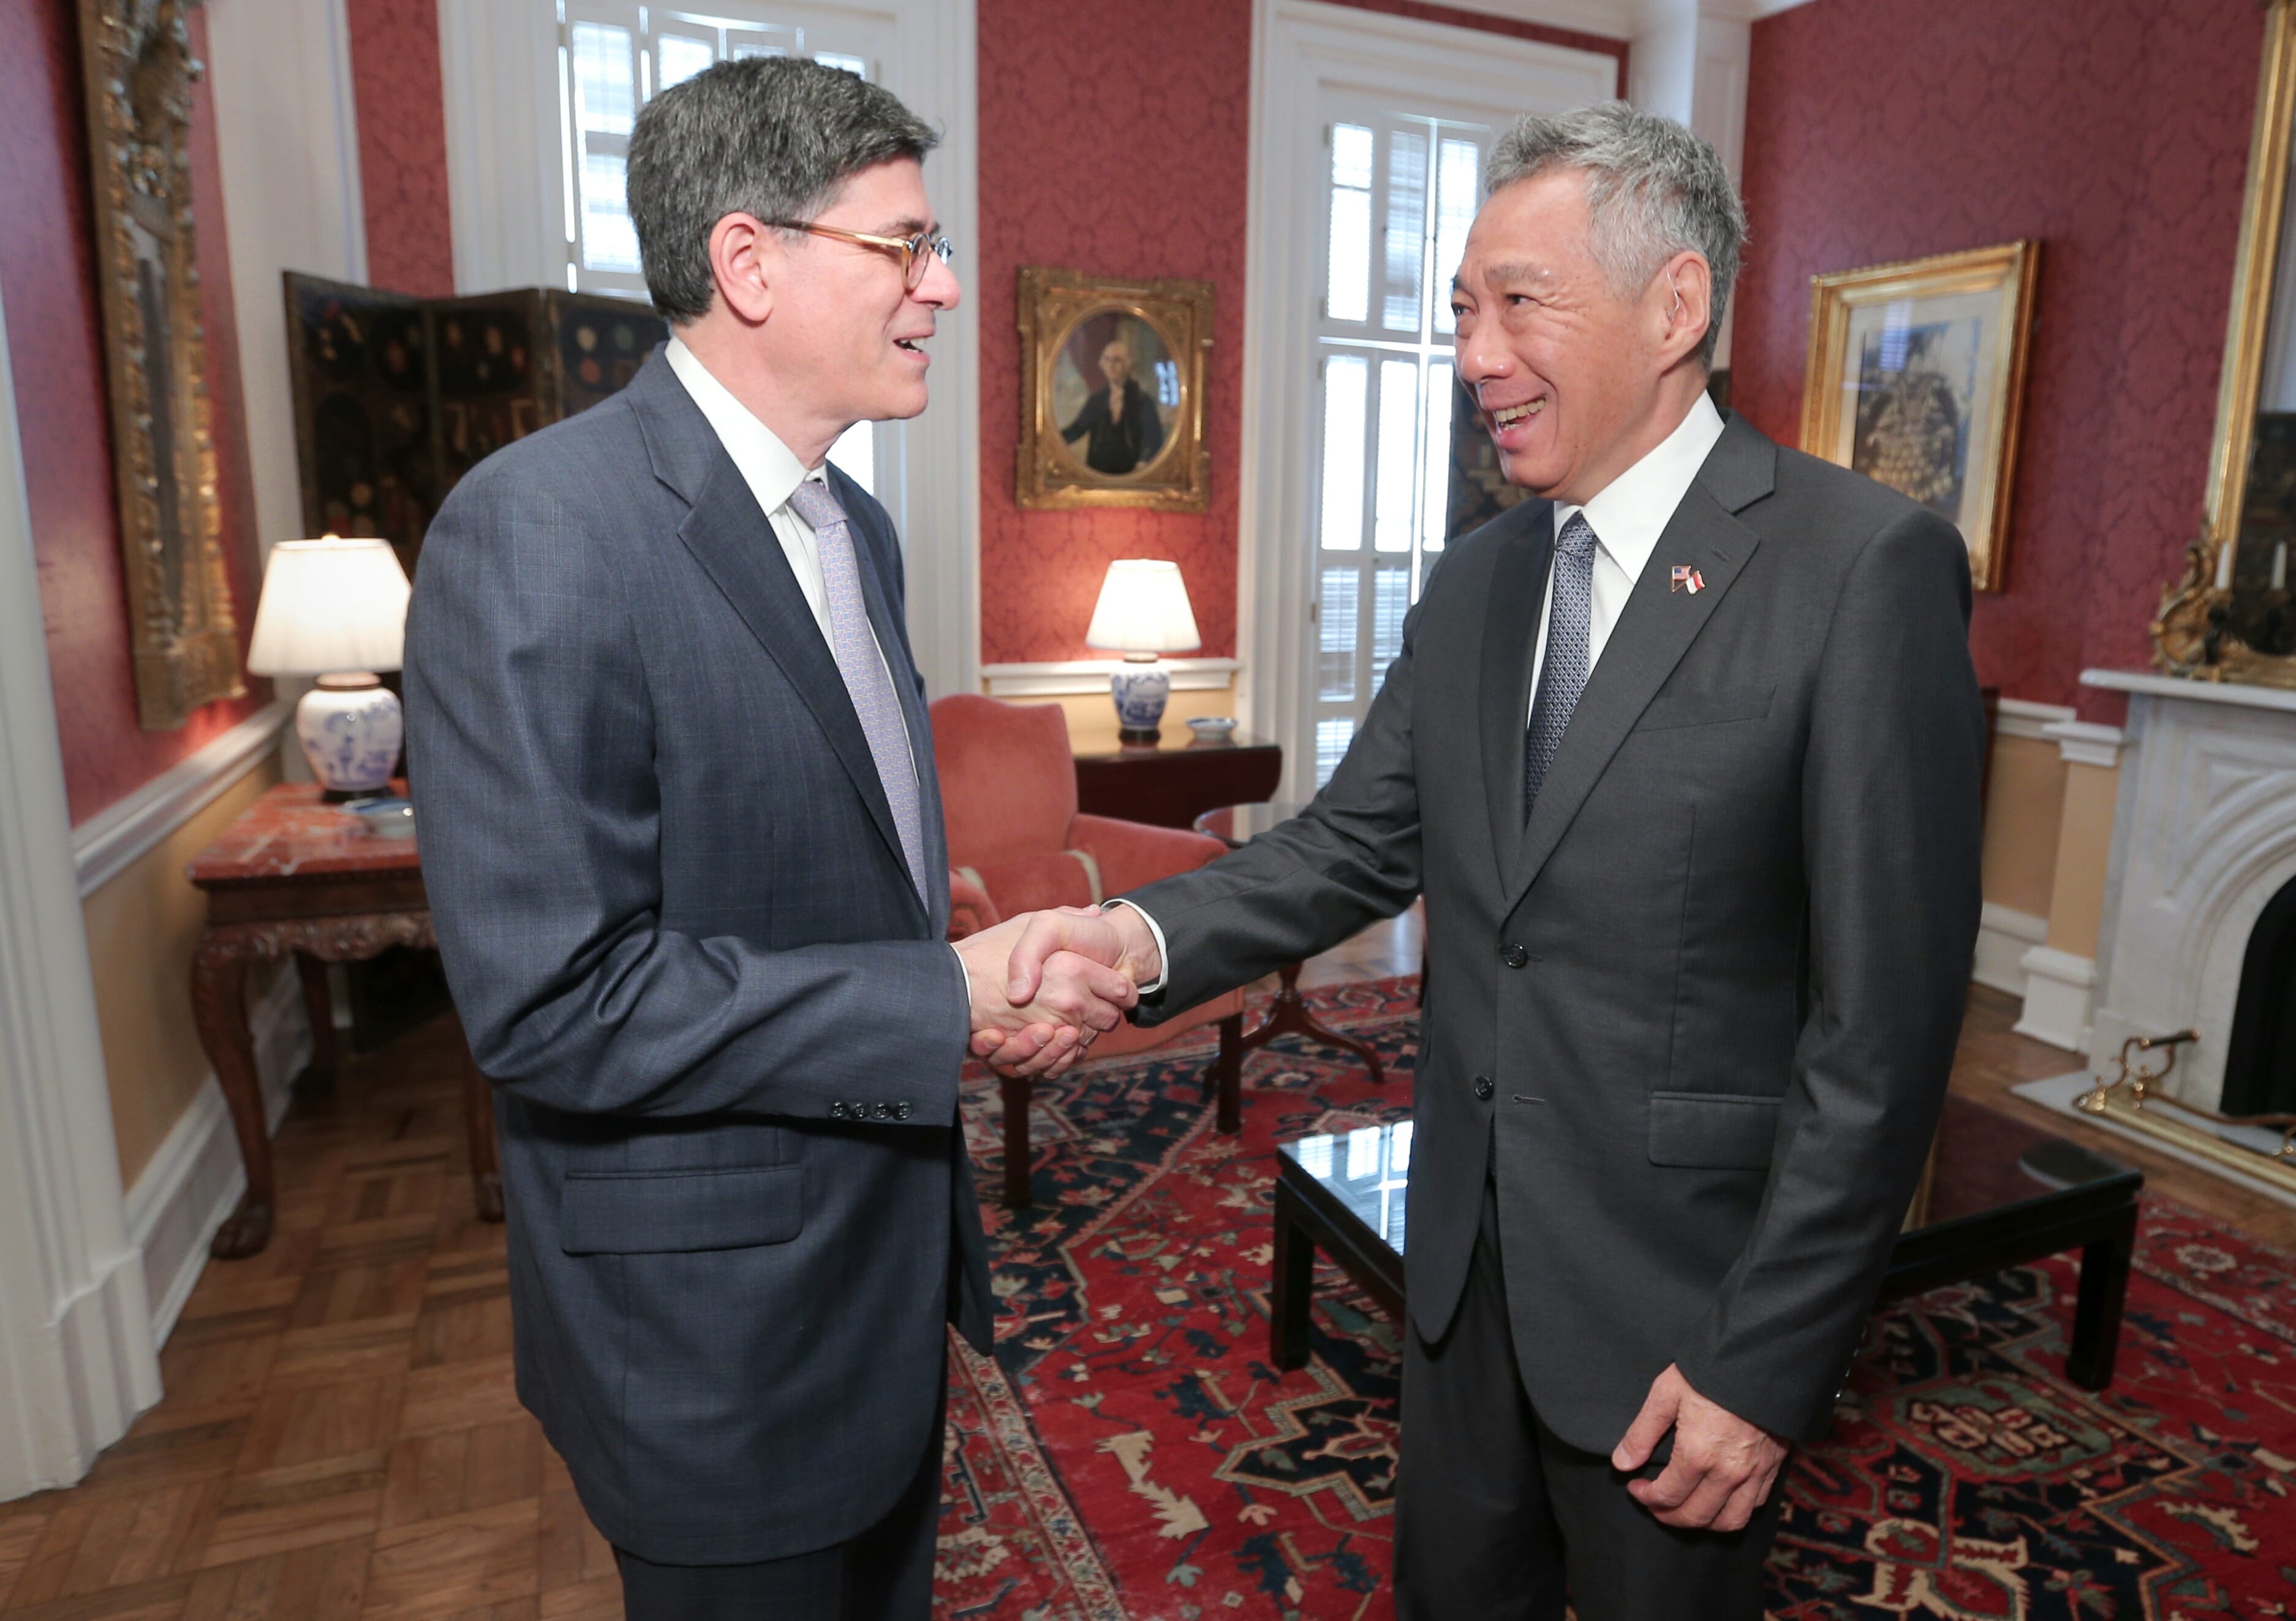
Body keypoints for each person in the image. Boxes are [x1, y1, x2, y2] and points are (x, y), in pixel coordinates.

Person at [996, 102, 1985, 1620]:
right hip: (1459, 1285)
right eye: (1461, 307)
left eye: (1520, 303)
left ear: (1676, 308)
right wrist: (1125, 943)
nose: (1473, 356)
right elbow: (1347, 845)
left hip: (1682, 1323)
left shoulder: (1861, 571)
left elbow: (1884, 1026)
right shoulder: (1474, 578)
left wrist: (1764, 1361)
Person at [403, 58, 1135, 1621]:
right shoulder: (536, 530)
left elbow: (833, 856)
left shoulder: (849, 522)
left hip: (875, 1282)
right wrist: (943, 1001)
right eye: (905, 246)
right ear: (750, 262)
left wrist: (954, 993)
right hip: (712, 1339)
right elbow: (553, 1003)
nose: (942, 286)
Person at [1060, 336, 1164, 474]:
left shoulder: (1143, 401)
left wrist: (1143, 462)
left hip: (1132, 475)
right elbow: (1077, 429)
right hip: (1098, 474)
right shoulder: (1097, 400)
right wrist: (1052, 440)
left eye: (1117, 360)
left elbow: (1153, 439)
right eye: (1107, 359)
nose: (1111, 365)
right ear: (1101, 364)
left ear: (1129, 364)